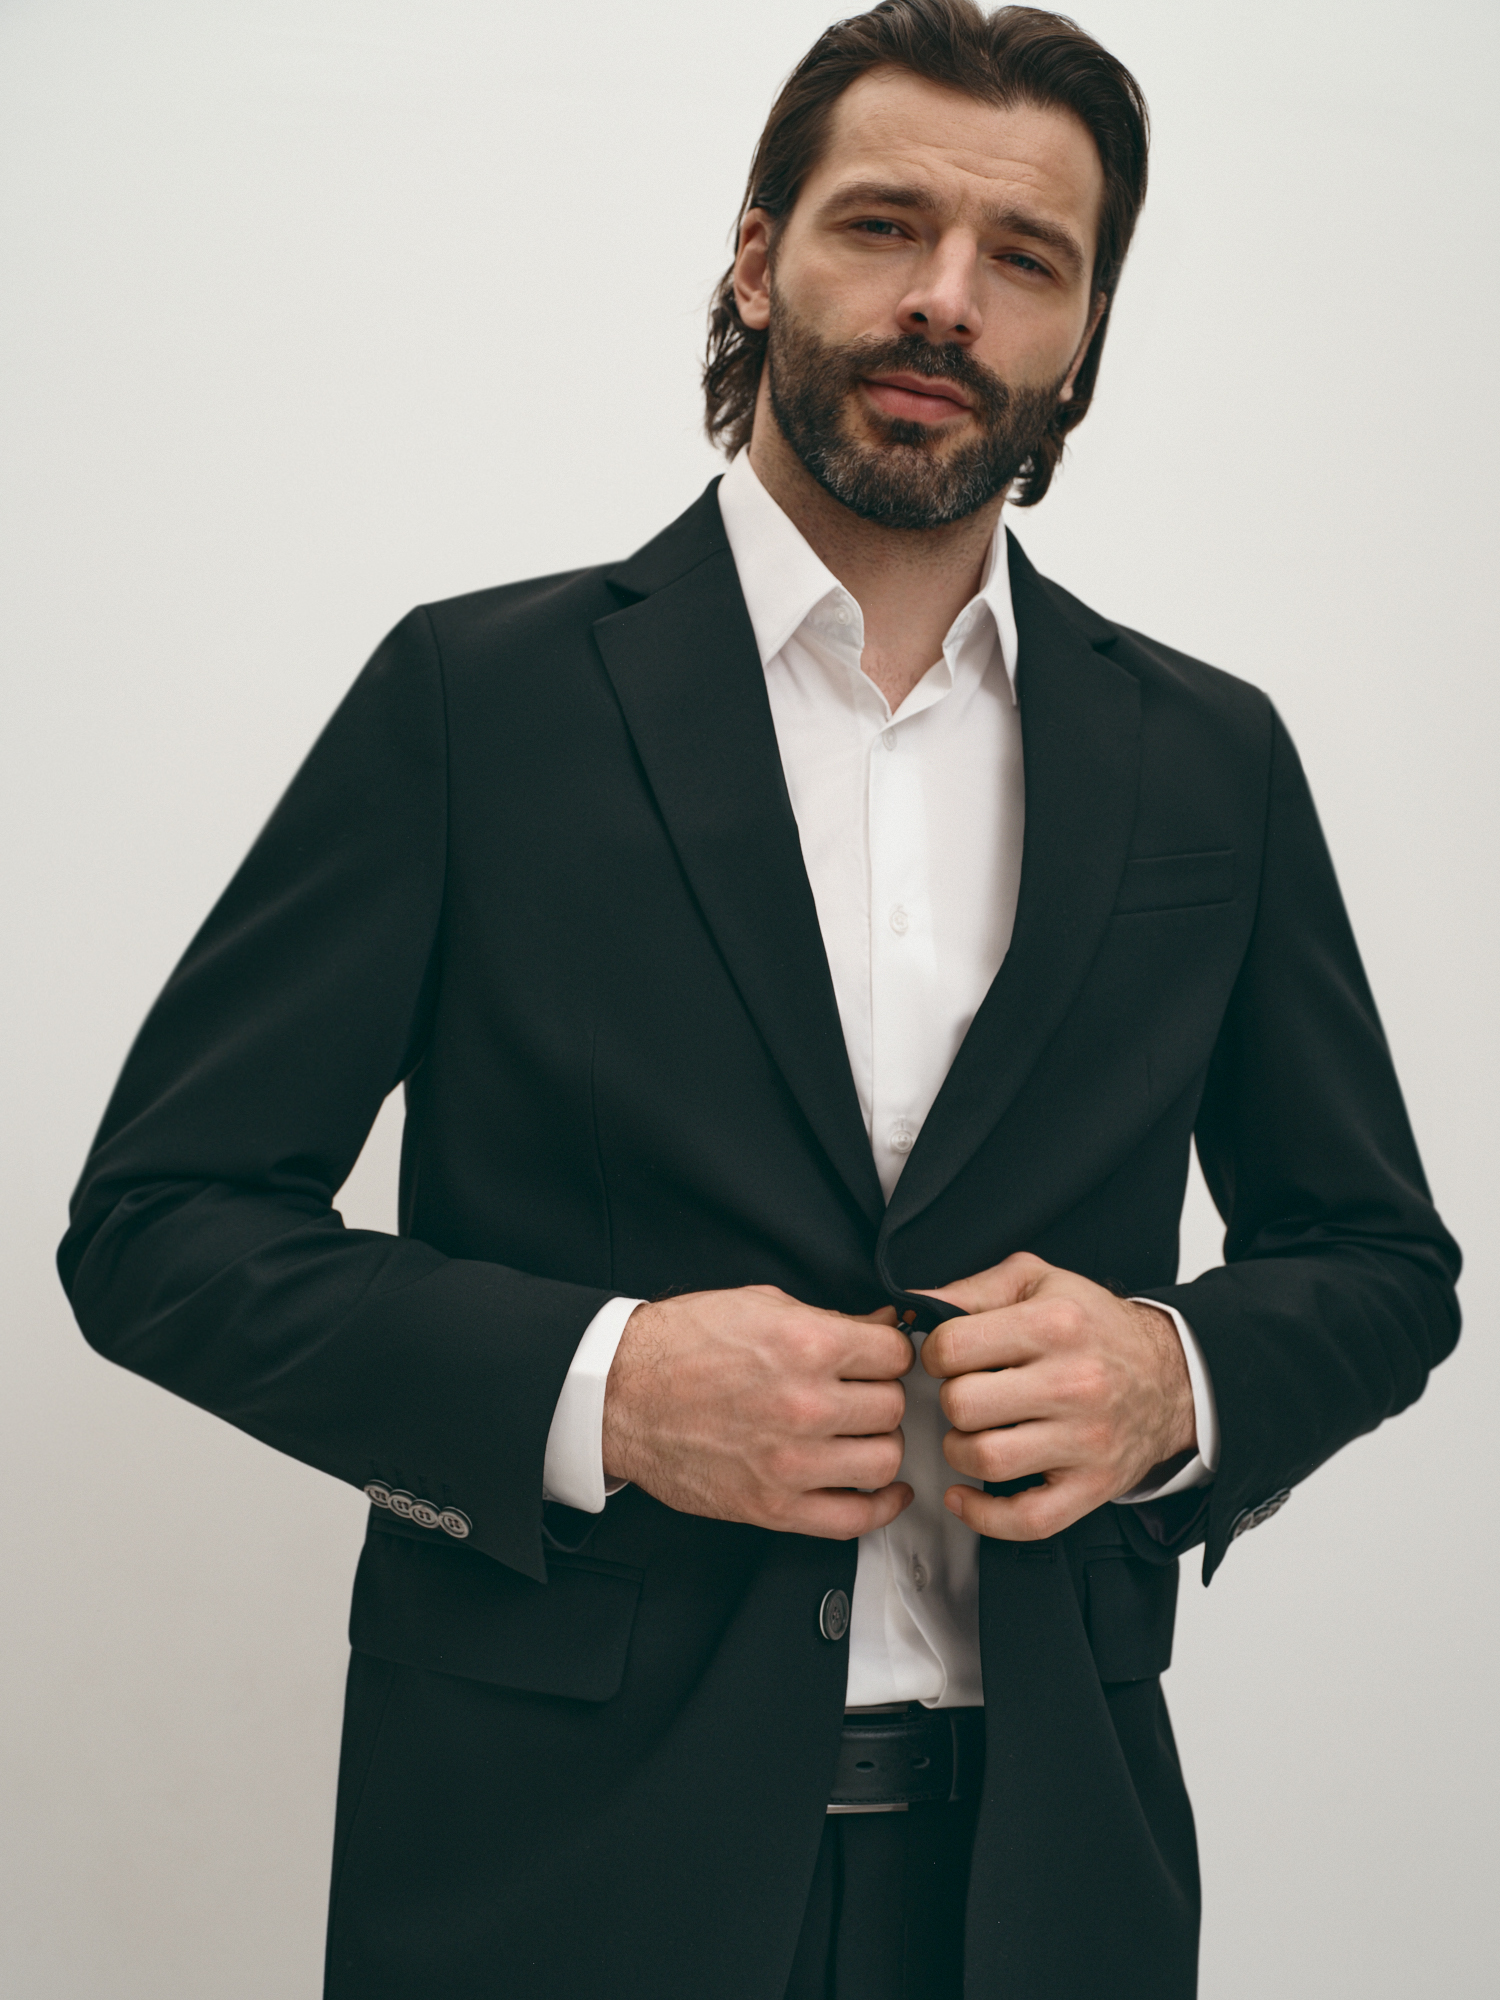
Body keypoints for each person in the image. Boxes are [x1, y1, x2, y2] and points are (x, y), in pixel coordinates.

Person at [58, 3, 1460, 1995]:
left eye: (1026, 258)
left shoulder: (1208, 757)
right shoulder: (477, 702)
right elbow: (160, 1226)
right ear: (755, 257)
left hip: (1046, 1881)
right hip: (550, 1884)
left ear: (1082, 338)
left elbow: (1380, 1259)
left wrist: (1175, 1377)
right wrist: (605, 1387)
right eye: (883, 225)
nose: (945, 299)